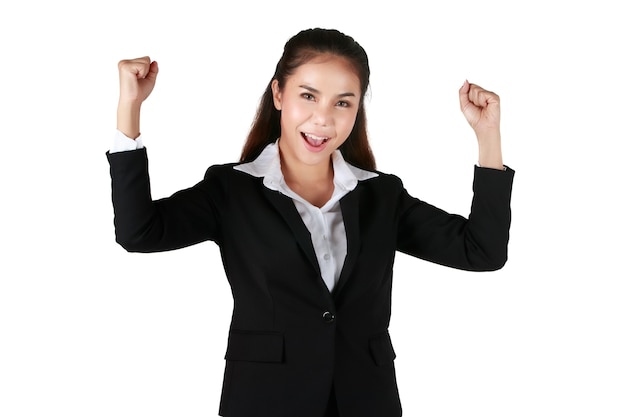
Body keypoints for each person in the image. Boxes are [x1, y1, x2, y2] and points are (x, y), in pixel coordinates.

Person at [107, 28, 514, 417]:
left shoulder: (381, 196)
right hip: (266, 401)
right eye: (308, 96)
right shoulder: (232, 190)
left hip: (366, 402)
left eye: (343, 102)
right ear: (278, 93)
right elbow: (139, 232)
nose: (323, 120)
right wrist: (130, 107)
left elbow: (481, 252)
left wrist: (488, 136)